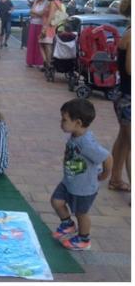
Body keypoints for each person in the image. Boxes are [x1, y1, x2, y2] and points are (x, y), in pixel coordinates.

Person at [51, 98, 113, 250]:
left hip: (83, 188)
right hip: (70, 181)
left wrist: (105, 174)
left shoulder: (86, 144)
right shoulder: (76, 136)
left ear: (78, 122)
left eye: (64, 120)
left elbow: (107, 157)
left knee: (81, 214)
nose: (61, 122)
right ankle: (67, 224)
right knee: (56, 201)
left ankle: (84, 239)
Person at [108, 0, 131, 194]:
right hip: (128, 96)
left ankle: (115, 179)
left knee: (124, 139)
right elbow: (130, 68)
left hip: (124, 94)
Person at [39, 0, 63, 71]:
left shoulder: (53, 3)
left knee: (46, 44)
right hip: (54, 25)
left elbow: (51, 15)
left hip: (49, 26)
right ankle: (47, 62)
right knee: (44, 43)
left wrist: (45, 27)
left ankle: (48, 63)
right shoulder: (58, 2)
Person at [26, 0, 48, 68]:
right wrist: (37, 14)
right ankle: (30, 61)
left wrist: (35, 13)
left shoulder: (47, 3)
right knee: (31, 42)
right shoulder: (36, 1)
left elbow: (43, 14)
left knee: (39, 43)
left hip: (41, 25)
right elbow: (30, 12)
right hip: (33, 23)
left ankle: (39, 62)